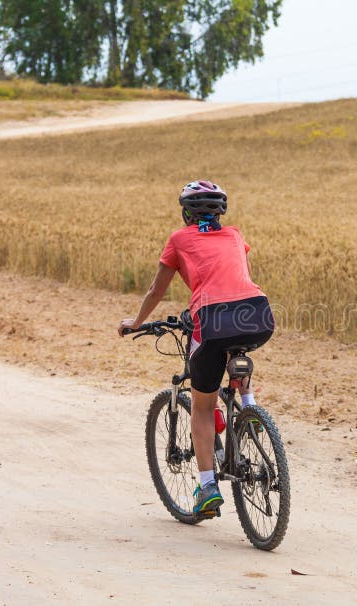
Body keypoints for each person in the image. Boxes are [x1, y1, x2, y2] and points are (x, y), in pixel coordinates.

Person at [117, 180, 274, 514]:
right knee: (237, 348)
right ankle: (250, 405)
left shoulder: (178, 239)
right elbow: (233, 275)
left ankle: (206, 487)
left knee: (202, 406)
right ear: (221, 212)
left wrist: (136, 322)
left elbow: (155, 291)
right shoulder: (233, 235)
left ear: (186, 212)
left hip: (211, 317)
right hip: (258, 312)